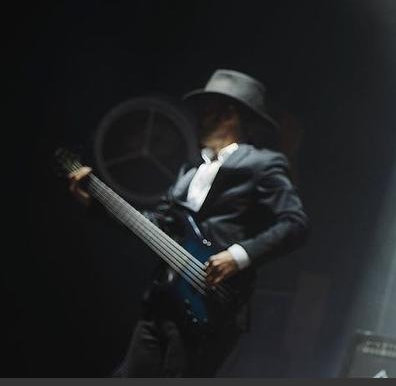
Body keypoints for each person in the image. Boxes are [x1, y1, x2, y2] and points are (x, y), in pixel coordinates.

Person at [68, 69, 309, 377]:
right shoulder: (191, 169)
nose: (198, 117)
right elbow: (156, 224)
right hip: (164, 299)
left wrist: (238, 256)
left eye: (207, 110)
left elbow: (295, 223)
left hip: (211, 305)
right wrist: (97, 205)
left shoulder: (262, 163)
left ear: (231, 114)